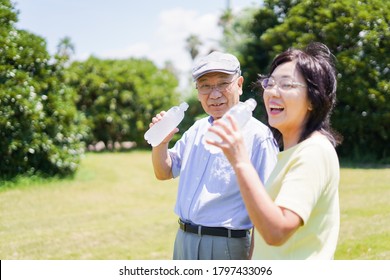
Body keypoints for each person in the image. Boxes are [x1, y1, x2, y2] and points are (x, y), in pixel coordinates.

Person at [206, 42, 342, 259]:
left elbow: (277, 231)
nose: (272, 92)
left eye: (287, 85)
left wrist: (240, 161)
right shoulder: (290, 153)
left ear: (314, 100)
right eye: (270, 83)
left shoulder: (314, 152)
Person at [149, 51, 279, 260]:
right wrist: (161, 143)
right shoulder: (197, 129)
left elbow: (268, 207)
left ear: (239, 84)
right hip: (184, 241)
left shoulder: (258, 136)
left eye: (222, 83)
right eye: (205, 86)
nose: (214, 94)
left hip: (227, 246)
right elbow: (164, 172)